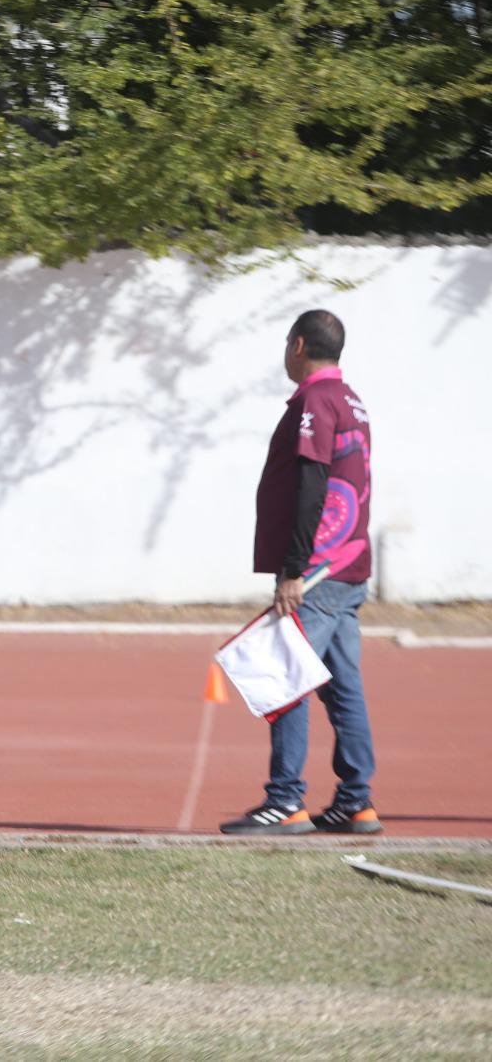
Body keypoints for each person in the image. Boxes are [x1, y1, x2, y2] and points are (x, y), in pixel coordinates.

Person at [221, 310, 381, 836]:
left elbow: (314, 484)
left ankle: (286, 800)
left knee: (285, 675)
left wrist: (293, 570)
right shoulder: (350, 399)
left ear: (297, 345)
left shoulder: (315, 401)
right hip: (348, 566)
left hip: (318, 573)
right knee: (342, 687)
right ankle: (356, 802)